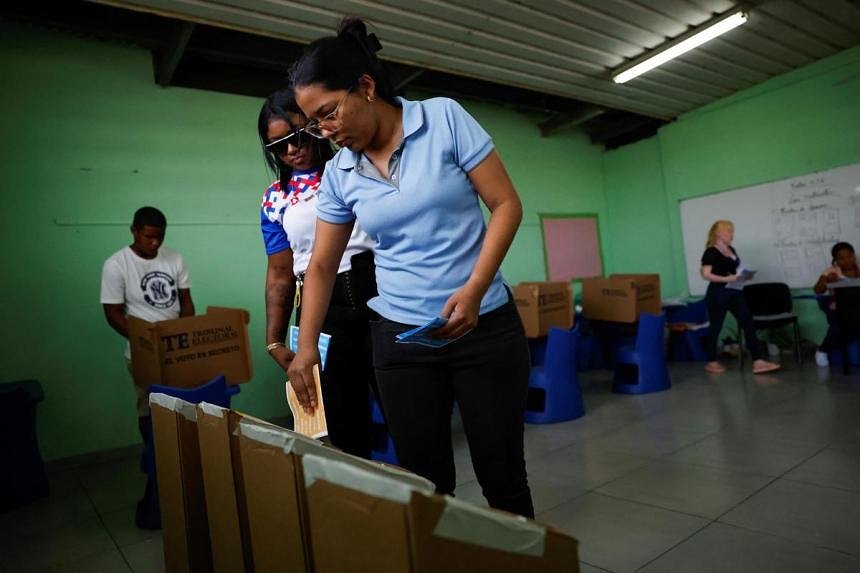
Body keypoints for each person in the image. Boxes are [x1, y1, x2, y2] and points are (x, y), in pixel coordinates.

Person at [286, 17, 535, 518]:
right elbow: (321, 267)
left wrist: (476, 286)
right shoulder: (339, 173)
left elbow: (506, 204)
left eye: (329, 113)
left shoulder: (443, 118)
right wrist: (306, 347)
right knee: (426, 485)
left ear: (366, 87)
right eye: (314, 123)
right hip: (401, 340)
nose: (325, 131)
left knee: (502, 475)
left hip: (484, 328)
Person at [257, 88, 380, 459]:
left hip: (378, 291)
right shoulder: (274, 198)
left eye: (296, 136)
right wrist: (275, 340)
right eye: (278, 145)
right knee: (343, 424)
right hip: (320, 311)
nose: (291, 149)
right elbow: (279, 272)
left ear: (313, 125)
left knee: (404, 406)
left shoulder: (354, 165)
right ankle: (363, 508)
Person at [100, 206, 194, 528]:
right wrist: (142, 339)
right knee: (150, 409)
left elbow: (186, 300)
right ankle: (155, 457)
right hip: (141, 353)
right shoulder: (117, 265)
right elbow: (112, 312)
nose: (154, 244)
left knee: (179, 407)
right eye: (149, 236)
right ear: (134, 231)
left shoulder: (174, 258)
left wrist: (186, 333)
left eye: (160, 237)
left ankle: (174, 463)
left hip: (175, 349)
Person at [700, 220, 780, 375]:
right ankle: (711, 361)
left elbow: (735, 270)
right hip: (718, 293)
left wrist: (744, 276)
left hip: (734, 292)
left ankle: (758, 361)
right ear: (718, 233)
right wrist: (727, 279)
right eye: (728, 231)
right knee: (716, 327)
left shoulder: (731, 249)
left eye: (732, 231)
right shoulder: (711, 251)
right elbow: (706, 274)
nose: (732, 234)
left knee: (748, 322)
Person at [812, 241, 860, 366]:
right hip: (833, 302)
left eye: (850, 256)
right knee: (841, 323)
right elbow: (818, 290)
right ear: (835, 260)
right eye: (841, 258)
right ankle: (822, 350)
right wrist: (826, 280)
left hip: (855, 304)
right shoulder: (831, 271)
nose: (847, 260)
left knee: (853, 320)